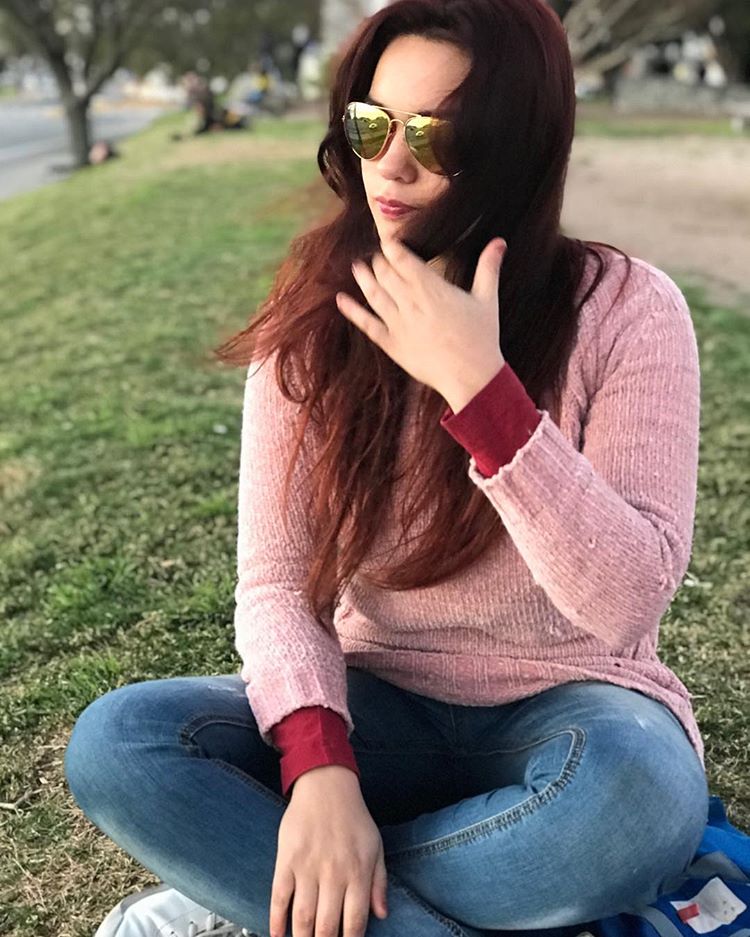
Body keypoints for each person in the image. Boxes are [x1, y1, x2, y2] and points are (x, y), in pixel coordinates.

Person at [63, 1, 711, 937]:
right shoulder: (314, 317)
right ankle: (321, 872)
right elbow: (277, 583)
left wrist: (481, 390)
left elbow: (625, 602)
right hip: (377, 707)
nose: (391, 166)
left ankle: (256, 884)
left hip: (575, 711)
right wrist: (321, 778)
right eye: (372, 126)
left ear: (518, 144)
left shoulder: (629, 310)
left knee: (637, 807)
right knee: (119, 742)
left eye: (437, 138)